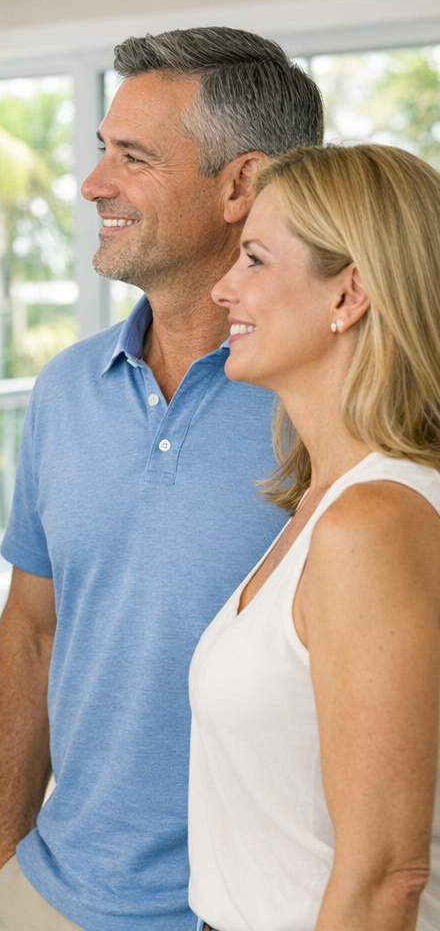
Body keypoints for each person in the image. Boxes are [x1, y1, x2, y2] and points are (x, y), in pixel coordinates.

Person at [0, 28, 324, 931]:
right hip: (55, 894)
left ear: (239, 186)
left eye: (130, 157)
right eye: (102, 150)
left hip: (256, 912)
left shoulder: (337, 406)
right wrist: (3, 863)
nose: (93, 184)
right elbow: (29, 629)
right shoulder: (63, 389)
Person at [189, 143, 440, 931]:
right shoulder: (324, 503)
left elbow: (384, 877)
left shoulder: (372, 523)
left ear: (351, 293)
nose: (223, 287)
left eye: (255, 259)